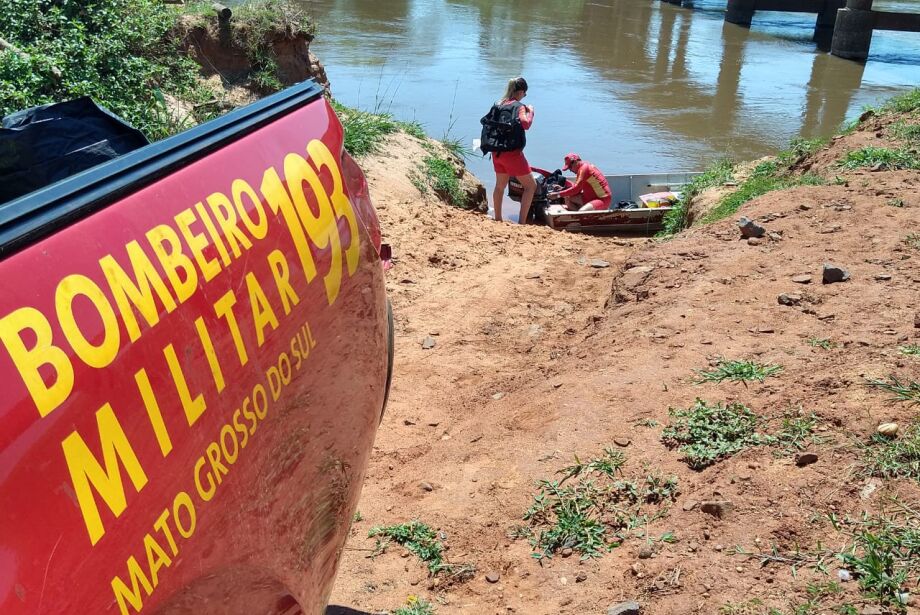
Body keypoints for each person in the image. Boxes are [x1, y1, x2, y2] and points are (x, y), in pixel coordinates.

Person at [490, 77, 536, 223]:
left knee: (500, 186)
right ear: (520, 91)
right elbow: (526, 124)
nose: (524, 96)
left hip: (496, 152)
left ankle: (498, 218)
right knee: (530, 186)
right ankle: (522, 222)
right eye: (525, 93)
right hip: (512, 155)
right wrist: (531, 112)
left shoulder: (499, 104)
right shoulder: (519, 107)